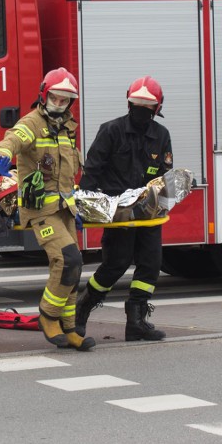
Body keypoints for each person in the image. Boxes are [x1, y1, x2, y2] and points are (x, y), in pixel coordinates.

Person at [0, 67, 95, 351]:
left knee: (74, 268)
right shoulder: (32, 123)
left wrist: (77, 207)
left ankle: (70, 328)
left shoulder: (66, 129)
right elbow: (11, 139)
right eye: (54, 98)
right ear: (43, 95)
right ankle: (48, 316)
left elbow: (69, 172)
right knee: (67, 260)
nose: (59, 104)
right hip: (40, 210)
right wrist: (2, 156)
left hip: (65, 209)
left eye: (64, 100)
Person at [75, 76, 173, 341]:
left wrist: (171, 192)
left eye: (147, 105)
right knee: (115, 264)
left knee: (151, 264)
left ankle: (137, 321)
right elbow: (91, 172)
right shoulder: (111, 131)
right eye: (138, 104)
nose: (142, 110)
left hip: (149, 213)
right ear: (129, 103)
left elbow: (165, 176)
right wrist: (85, 205)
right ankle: (83, 309)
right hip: (117, 212)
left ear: (156, 108)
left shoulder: (161, 136)